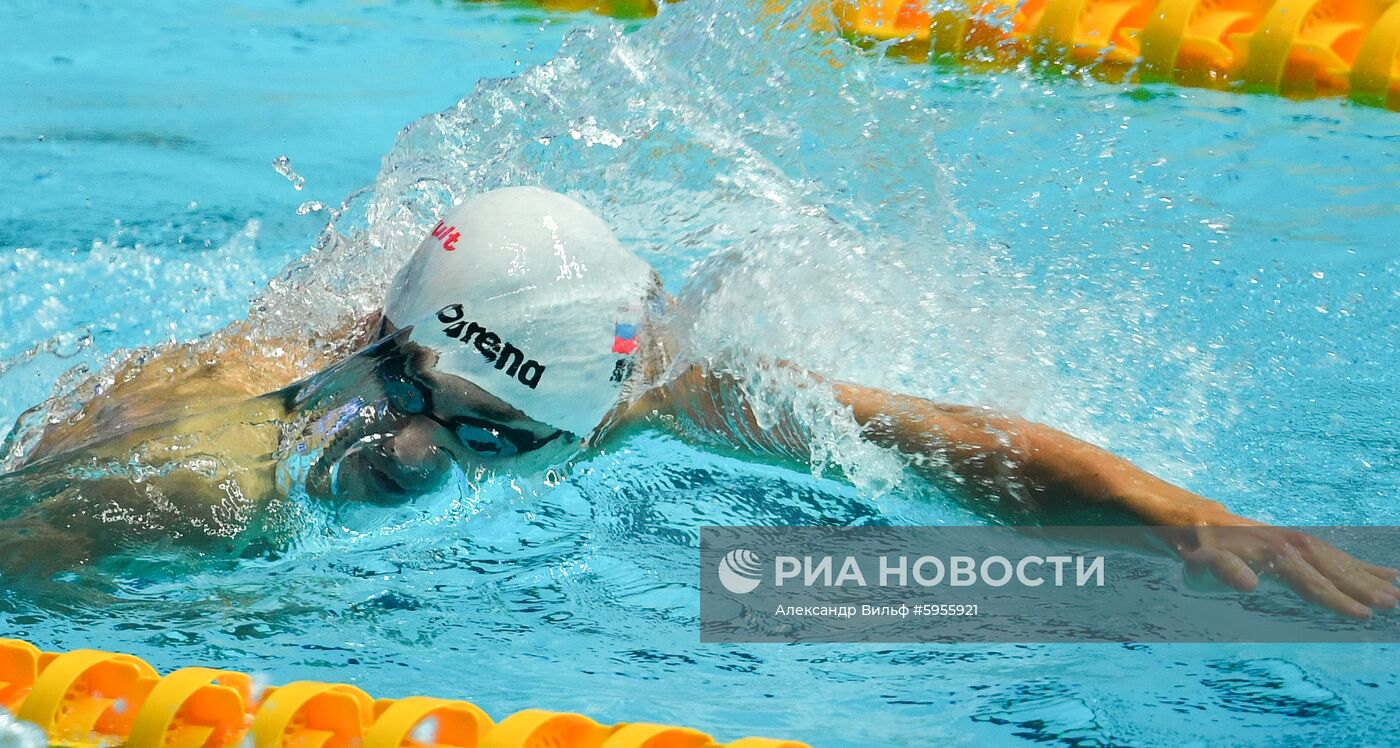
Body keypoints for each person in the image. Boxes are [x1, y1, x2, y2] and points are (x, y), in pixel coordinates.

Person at [1, 187, 1395, 619]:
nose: (417, 448)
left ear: (586, 421)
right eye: (409, 388)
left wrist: (1189, 518)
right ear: (379, 335)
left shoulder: (631, 383)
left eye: (493, 436)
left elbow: (920, 440)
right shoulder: (201, 477)